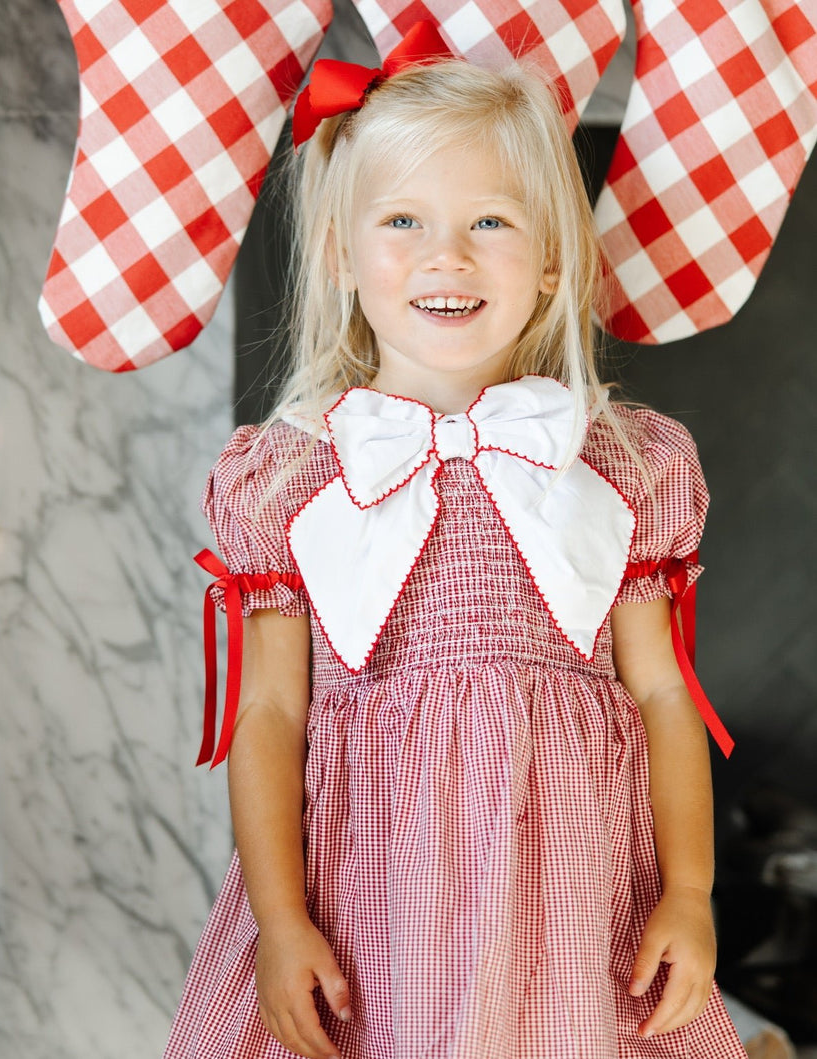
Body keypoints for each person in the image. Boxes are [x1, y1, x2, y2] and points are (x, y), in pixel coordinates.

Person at [165, 22, 746, 1059]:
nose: (446, 255)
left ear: (553, 259)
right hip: (372, 900)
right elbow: (267, 709)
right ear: (340, 255)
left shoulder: (619, 465)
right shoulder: (293, 481)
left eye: (489, 220)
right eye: (402, 220)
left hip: (572, 907)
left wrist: (692, 891)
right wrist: (280, 918)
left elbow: (662, 691)